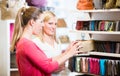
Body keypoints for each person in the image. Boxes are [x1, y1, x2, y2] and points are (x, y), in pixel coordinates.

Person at [10, 6, 82, 76]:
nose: (42, 25)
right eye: (41, 22)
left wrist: (67, 52)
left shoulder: (24, 43)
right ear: (32, 22)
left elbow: (46, 61)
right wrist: (69, 54)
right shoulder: (27, 44)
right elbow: (48, 67)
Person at [32, 11, 66, 76]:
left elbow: (60, 62)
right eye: (50, 23)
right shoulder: (36, 43)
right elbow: (37, 68)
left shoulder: (57, 41)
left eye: (55, 24)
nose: (54, 27)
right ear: (42, 24)